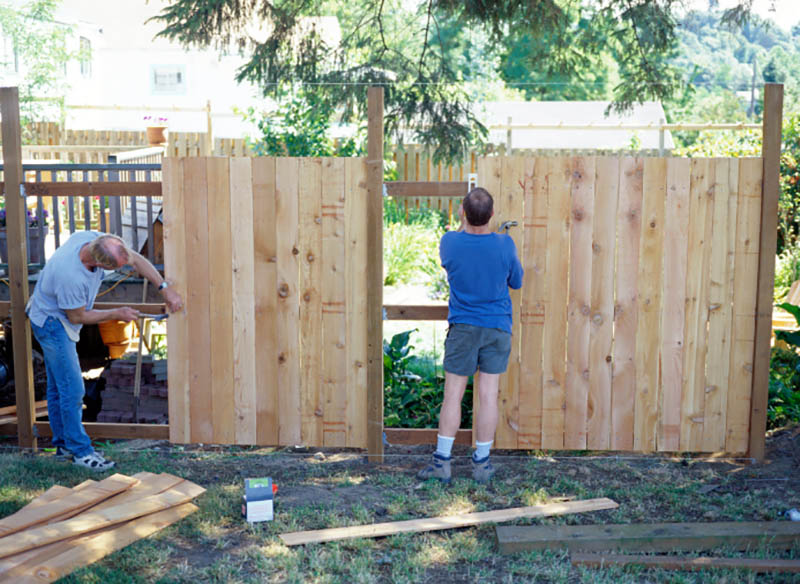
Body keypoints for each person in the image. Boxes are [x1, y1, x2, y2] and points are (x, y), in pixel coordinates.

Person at [26, 232, 183, 471]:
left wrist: (165, 289)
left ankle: (64, 446)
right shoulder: (70, 275)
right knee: (73, 389)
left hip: (57, 316)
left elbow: (137, 260)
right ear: (98, 264)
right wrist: (115, 313)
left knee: (60, 387)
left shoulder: (97, 240)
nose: (127, 265)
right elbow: (78, 316)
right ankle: (80, 452)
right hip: (51, 323)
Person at [417, 188, 523, 484]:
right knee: (488, 396)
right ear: (491, 215)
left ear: (462, 212)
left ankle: (441, 464)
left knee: (453, 396)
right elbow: (516, 281)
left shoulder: (449, 242)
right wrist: (499, 241)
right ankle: (482, 465)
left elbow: (462, 247)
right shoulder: (505, 245)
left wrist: (469, 226)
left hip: (463, 328)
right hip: (497, 328)